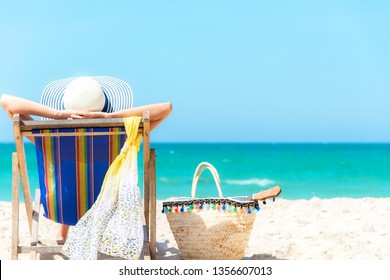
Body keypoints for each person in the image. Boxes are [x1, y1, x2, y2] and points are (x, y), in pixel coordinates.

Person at [1, 76, 172, 240]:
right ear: (105, 107)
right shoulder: (121, 137)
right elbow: (166, 108)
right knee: (90, 179)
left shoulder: (49, 138)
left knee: (70, 176)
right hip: (105, 210)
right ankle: (65, 230)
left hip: (61, 209)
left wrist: (57, 115)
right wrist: (111, 117)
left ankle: (62, 231)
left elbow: (6, 101)